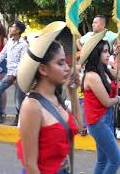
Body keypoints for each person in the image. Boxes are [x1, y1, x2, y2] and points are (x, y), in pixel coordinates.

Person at [16, 21, 83, 173]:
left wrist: (73, 93)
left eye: (66, 62)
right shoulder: (32, 106)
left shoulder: (55, 98)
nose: (67, 68)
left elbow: (79, 127)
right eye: (60, 63)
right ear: (43, 69)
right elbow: (30, 165)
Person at [80, 30, 120, 173]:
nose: (108, 54)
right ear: (96, 54)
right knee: (115, 159)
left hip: (107, 119)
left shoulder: (105, 71)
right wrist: (118, 99)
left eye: (109, 51)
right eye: (105, 52)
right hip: (97, 122)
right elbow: (107, 102)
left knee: (103, 160)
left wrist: (119, 57)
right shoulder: (91, 76)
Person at [0, 21, 28, 124]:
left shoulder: (24, 45)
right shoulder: (10, 41)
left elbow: (23, 62)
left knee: (19, 99)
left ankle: (19, 118)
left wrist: (14, 75)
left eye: (13, 27)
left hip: (20, 74)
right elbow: (2, 55)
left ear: (18, 30)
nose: (10, 28)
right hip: (10, 73)